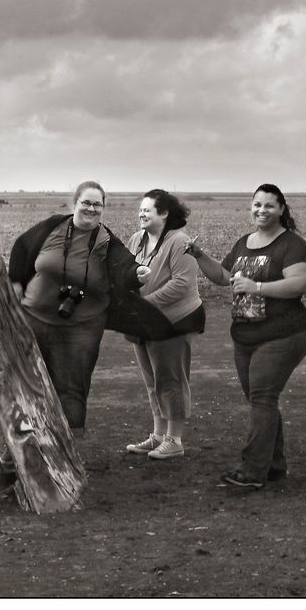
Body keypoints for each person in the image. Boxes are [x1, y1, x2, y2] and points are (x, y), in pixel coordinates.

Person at [186, 184, 306, 487]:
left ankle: (253, 471)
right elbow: (222, 276)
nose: (261, 210)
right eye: (257, 204)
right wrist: (198, 254)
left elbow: (300, 283)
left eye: (269, 205)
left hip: (284, 333)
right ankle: (274, 465)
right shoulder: (245, 242)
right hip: (245, 335)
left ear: (281, 209)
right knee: (260, 400)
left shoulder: (292, 245)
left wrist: (257, 287)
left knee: (262, 397)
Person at [9, 181, 152, 436]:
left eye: (98, 204)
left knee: (72, 387)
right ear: (74, 203)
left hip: (82, 326)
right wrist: (16, 282)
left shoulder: (106, 240)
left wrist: (137, 274)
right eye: (86, 202)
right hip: (34, 318)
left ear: (103, 209)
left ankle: (66, 453)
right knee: (26, 382)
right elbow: (22, 247)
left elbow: (124, 267)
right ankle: (20, 448)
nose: (91, 208)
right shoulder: (53, 226)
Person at [124, 190, 205, 460]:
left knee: (170, 380)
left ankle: (175, 440)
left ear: (165, 213)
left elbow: (182, 284)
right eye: (141, 210)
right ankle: (158, 436)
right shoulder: (136, 240)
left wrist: (144, 303)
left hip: (174, 321)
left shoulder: (179, 241)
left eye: (148, 210)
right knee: (152, 381)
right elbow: (124, 272)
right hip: (143, 322)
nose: (142, 214)